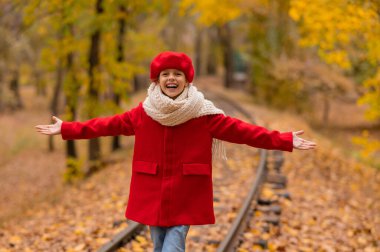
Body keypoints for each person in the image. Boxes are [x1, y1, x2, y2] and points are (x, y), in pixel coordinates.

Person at [35, 51, 316, 252]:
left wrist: (285, 140)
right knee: (158, 243)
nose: (171, 78)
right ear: (156, 81)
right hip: (152, 189)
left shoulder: (204, 115)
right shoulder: (143, 114)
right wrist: (68, 129)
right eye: (165, 74)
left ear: (187, 80)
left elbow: (245, 131)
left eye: (177, 74)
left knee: (174, 243)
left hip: (187, 190)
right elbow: (105, 125)